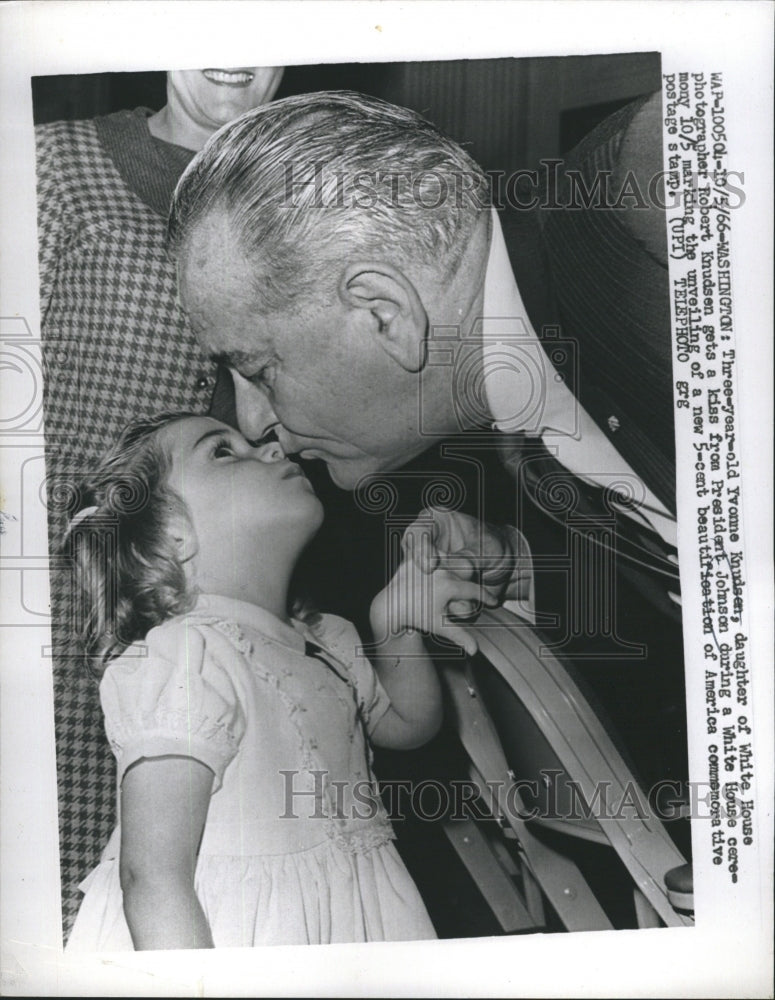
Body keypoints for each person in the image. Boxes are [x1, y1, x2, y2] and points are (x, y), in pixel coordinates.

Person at [166, 89, 689, 806]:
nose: (252, 422)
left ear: (385, 314)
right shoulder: (530, 426)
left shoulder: (660, 192)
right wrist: (534, 572)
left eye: (257, 370)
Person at [64, 411, 495, 950]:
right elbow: (153, 876)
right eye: (222, 451)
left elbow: (408, 725)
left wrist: (396, 627)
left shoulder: (326, 639)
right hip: (225, 939)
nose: (272, 450)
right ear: (172, 535)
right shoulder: (185, 656)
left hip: (353, 922)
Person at [35, 65, 285, 938]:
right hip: (54, 586)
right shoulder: (57, 160)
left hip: (210, 592)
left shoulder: (294, 183)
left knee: (194, 866)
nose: (233, 49)